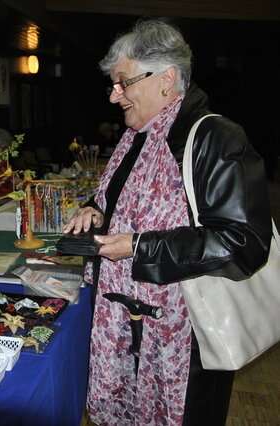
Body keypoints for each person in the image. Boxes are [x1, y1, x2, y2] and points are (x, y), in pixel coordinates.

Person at [63, 20, 271, 425]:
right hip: (124, 325)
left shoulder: (216, 137)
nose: (113, 95)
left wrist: (139, 247)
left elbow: (244, 242)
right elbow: (123, 203)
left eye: (123, 82)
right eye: (112, 84)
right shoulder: (137, 137)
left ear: (166, 79)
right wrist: (94, 208)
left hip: (187, 335)